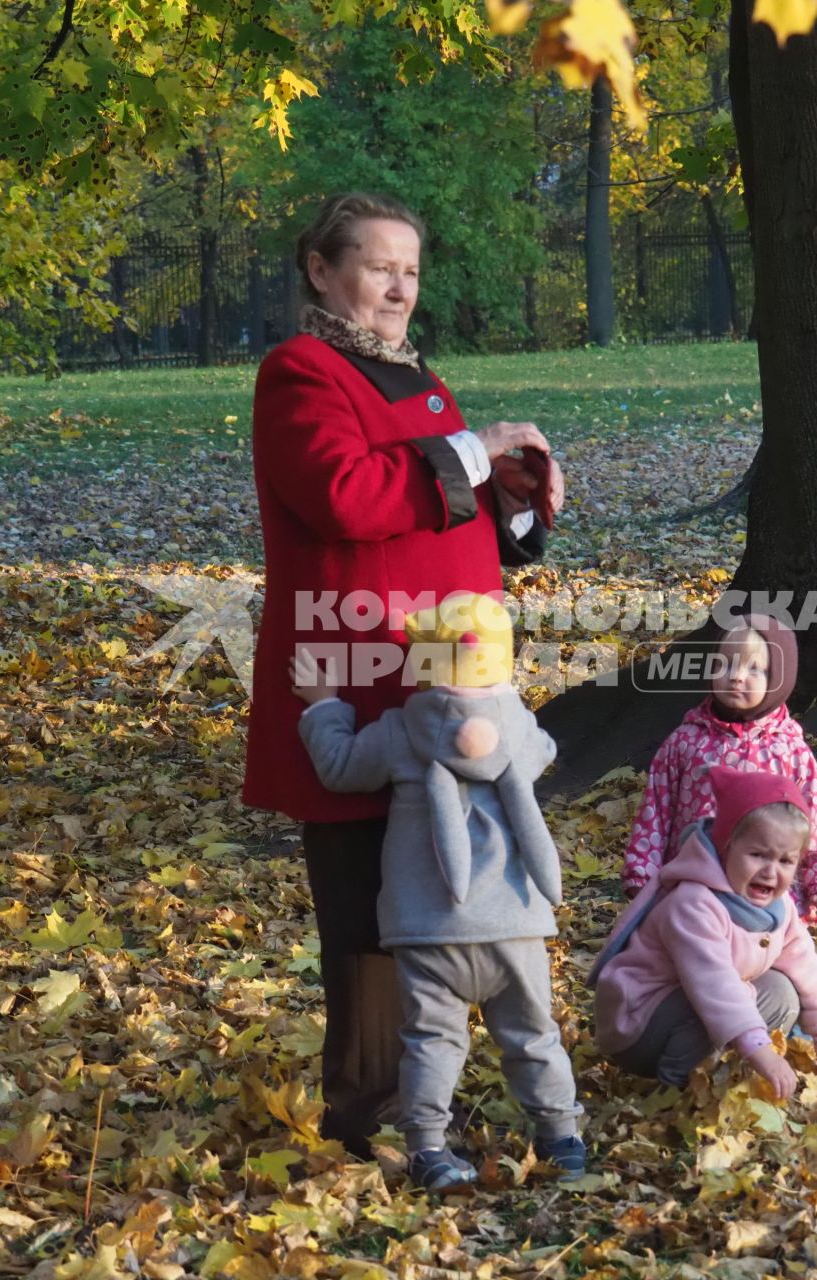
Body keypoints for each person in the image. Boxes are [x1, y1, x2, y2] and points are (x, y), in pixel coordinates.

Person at [245, 192, 566, 1156]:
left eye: (410, 270)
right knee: (363, 901)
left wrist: (515, 499)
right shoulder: (300, 370)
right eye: (378, 265)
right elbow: (346, 497)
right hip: (356, 669)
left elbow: (446, 501)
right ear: (321, 271)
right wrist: (474, 452)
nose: (397, 286)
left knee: (445, 893)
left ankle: (429, 1093)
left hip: (443, 679)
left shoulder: (413, 375)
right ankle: (370, 1111)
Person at [293, 592, 585, 1190]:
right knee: (534, 1036)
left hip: (430, 926)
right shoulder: (520, 729)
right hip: (515, 923)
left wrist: (324, 705)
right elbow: (548, 751)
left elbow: (341, 768)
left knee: (431, 1040)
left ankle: (428, 1150)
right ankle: (561, 1136)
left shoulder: (402, 729)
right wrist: (507, 701)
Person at [592, 766, 817, 1096]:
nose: (770, 871)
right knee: (728, 1000)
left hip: (695, 1011)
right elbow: (713, 984)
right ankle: (678, 1088)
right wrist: (762, 1051)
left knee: (781, 990)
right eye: (757, 854)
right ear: (725, 846)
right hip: (640, 1025)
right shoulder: (694, 903)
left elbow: (807, 968)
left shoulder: (780, 908)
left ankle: (726, 1067)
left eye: (785, 861)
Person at [622, 614, 817, 921]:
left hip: (766, 888)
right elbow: (656, 811)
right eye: (725, 665)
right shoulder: (686, 741)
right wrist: (642, 873)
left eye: (755, 669)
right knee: (694, 949)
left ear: (779, 678)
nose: (736, 676)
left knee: (768, 955)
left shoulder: (789, 750)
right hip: (696, 886)